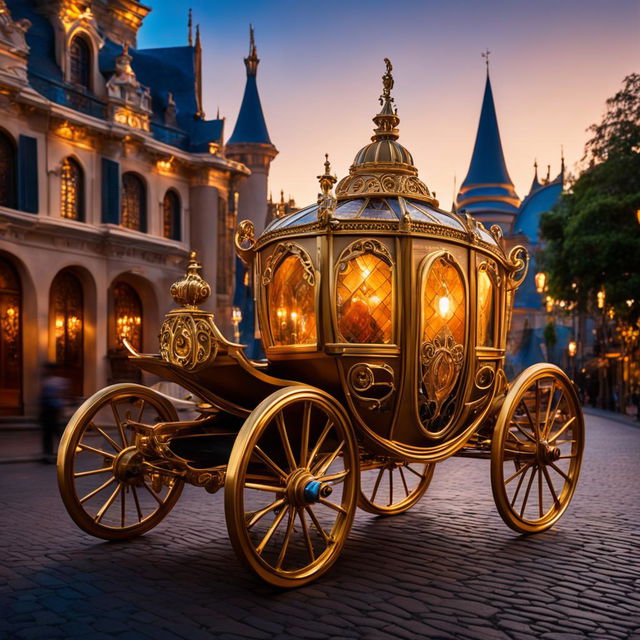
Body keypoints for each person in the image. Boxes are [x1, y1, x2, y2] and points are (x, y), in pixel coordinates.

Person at [39, 362, 68, 462]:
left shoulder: (54, 381)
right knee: (51, 431)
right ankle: (49, 453)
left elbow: (63, 395)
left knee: (53, 431)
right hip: (50, 408)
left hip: (52, 408)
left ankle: (54, 452)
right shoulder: (53, 381)